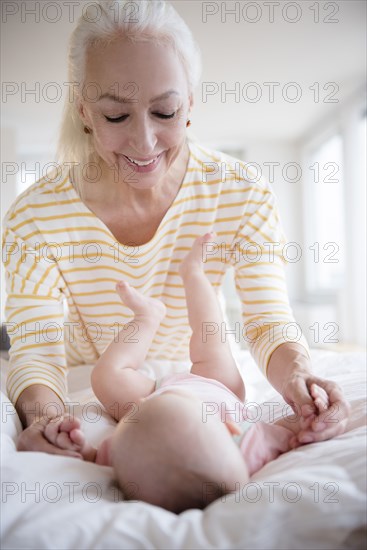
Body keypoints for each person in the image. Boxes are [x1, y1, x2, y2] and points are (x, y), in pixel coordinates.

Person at [3, 0, 349, 459]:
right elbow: (38, 346)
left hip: (196, 371)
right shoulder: (36, 215)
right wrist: (47, 417)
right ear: (84, 111)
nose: (144, 143)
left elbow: (267, 320)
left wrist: (301, 379)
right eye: (116, 116)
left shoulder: (242, 193)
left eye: (164, 112)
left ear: (190, 104)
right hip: (91, 367)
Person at [41, 233, 329, 513]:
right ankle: (193, 273)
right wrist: (308, 420)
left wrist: (81, 448)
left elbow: (96, 458)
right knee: (210, 333)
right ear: (231, 429)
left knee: (106, 378)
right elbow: (289, 431)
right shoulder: (248, 448)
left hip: (157, 392)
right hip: (219, 387)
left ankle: (147, 318)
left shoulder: (134, 455)